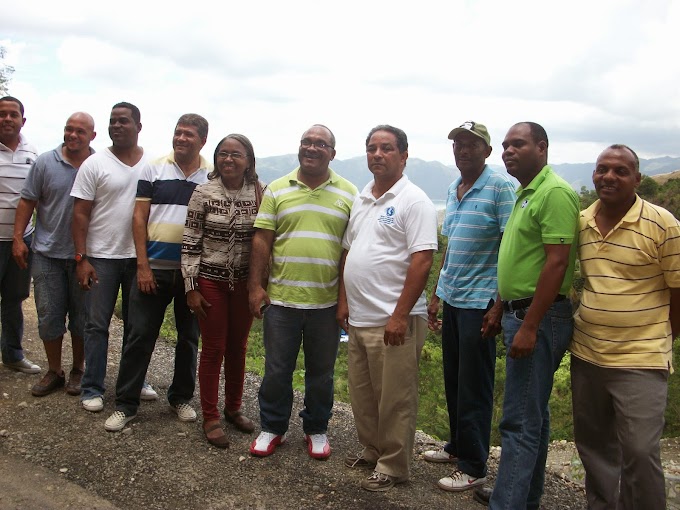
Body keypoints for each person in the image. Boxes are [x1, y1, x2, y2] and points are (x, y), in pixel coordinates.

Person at [570, 145, 680, 509]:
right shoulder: (582, 221)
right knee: (595, 448)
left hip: (641, 358)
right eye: (603, 169)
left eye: (620, 171)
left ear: (637, 178)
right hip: (588, 353)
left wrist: (661, 337)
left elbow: (678, 291)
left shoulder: (663, 224)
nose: (609, 177)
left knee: (640, 450)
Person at [247, 124, 357, 459]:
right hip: (281, 300)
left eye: (320, 144)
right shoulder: (278, 189)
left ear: (332, 153)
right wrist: (255, 285)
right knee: (277, 370)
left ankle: (317, 429)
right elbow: (262, 239)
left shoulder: (349, 193)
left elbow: (348, 251)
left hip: (325, 303)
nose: (312, 148)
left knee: (321, 374)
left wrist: (344, 301)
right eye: (306, 142)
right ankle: (272, 426)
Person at [339, 125, 438, 491]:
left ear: (404, 155)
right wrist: (344, 301)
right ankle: (372, 451)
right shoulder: (363, 197)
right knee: (363, 394)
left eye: (386, 148)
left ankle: (394, 466)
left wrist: (399, 315)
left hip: (394, 320)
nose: (377, 154)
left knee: (394, 397)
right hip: (360, 318)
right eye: (371, 148)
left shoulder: (415, 200)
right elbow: (349, 252)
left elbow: (422, 261)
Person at [489, 122, 579, 510]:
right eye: (506, 145)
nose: (507, 150)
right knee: (533, 417)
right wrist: (499, 305)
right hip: (520, 312)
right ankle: (524, 498)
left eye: (518, 144)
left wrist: (528, 325)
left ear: (541, 148)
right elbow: (520, 258)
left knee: (519, 421)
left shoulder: (554, 192)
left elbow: (557, 265)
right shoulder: (526, 193)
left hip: (538, 317)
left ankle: (506, 503)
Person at [424, 121, 516, 492]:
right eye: (458, 144)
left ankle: (474, 465)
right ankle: (457, 446)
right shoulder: (453, 187)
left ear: (487, 152)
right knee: (455, 379)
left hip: (481, 301)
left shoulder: (501, 187)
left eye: (471, 145)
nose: (463, 150)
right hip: (455, 298)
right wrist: (437, 293)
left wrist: (499, 305)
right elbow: (452, 244)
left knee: (474, 385)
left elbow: (511, 247)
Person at [104, 114, 211, 432]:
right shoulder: (154, 168)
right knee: (139, 336)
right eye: (177, 133)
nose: (180, 139)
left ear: (202, 140)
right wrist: (142, 266)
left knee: (189, 339)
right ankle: (126, 404)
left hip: (193, 275)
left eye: (188, 134)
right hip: (154, 270)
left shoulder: (211, 175)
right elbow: (139, 218)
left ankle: (180, 398)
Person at [180, 133, 265, 448]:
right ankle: (210, 416)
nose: (229, 159)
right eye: (223, 154)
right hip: (210, 282)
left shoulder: (260, 193)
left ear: (248, 161)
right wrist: (191, 286)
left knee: (238, 347)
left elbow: (266, 241)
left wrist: (261, 285)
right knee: (214, 348)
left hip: (245, 284)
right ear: (216, 159)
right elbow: (190, 243)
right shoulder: (202, 193)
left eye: (236, 154)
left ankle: (233, 408)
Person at [71, 102, 156, 412]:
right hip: (101, 256)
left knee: (138, 326)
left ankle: (134, 381)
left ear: (138, 126)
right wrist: (81, 258)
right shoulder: (94, 164)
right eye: (112, 121)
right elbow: (80, 213)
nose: (117, 126)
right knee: (96, 324)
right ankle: (92, 386)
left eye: (124, 121)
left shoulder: (152, 164)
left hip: (139, 258)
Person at [13, 112, 96, 396]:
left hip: (85, 257)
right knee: (49, 316)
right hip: (47, 253)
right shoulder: (45, 162)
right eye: (69, 129)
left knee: (82, 318)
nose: (73, 135)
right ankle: (54, 371)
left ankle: (78, 370)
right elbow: (27, 201)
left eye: (80, 131)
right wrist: (18, 239)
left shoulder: (98, 165)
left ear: (92, 137)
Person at [0, 96, 40, 374]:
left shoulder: (33, 155)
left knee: (14, 299)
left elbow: (37, 196)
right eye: (2, 114)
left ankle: (12, 355)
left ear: (22, 120)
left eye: (13, 114)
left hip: (21, 240)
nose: (7, 119)